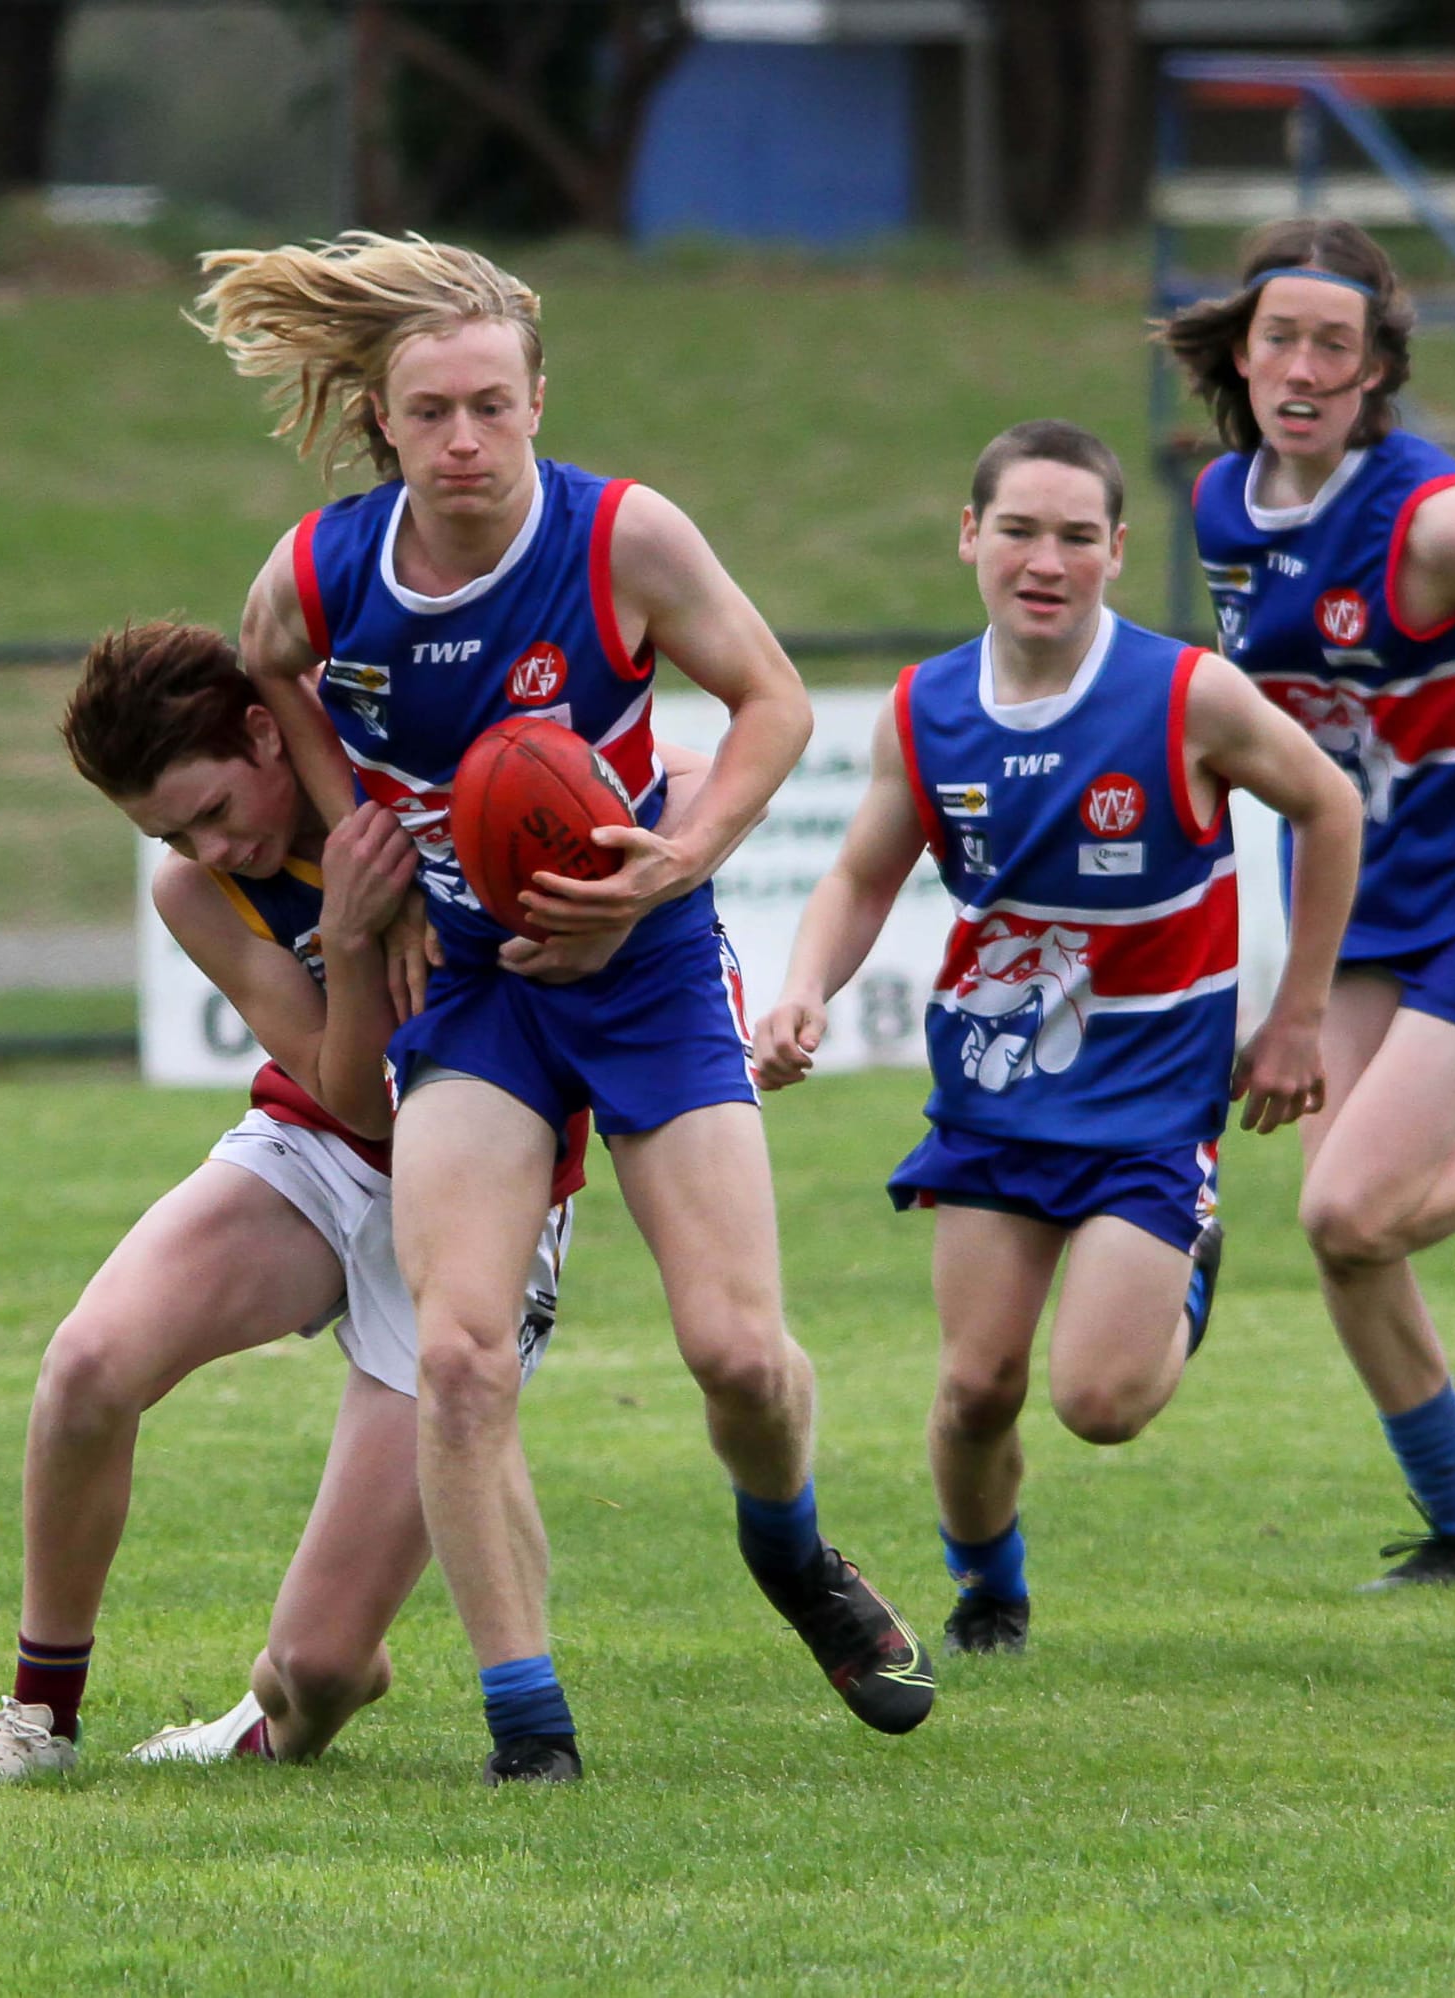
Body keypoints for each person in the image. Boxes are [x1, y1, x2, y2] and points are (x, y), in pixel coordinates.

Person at [198, 230, 935, 1784]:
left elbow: (772, 702)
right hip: (473, 988)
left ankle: (794, 1551)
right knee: (462, 1354)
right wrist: (367, 845)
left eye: (492, 405)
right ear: (384, 421)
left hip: (645, 967)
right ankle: (528, 1726)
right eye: (431, 411)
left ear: (539, 401)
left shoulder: (621, 537)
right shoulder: (321, 571)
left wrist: (683, 856)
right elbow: (269, 666)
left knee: (737, 1353)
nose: (464, 438)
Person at [0, 620, 586, 1790]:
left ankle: (278, 1708)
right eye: (171, 833)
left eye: (212, 811)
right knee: (87, 1365)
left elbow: (667, 770)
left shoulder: (411, 770)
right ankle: (38, 1714)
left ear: (267, 734)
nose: (207, 845)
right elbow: (351, 1099)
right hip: (321, 1149)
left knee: (318, 1670)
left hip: (482, 1200)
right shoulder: (200, 890)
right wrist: (349, 937)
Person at [752, 420, 1361, 1651]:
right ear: (968, 536)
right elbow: (861, 877)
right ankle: (988, 1591)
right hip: (995, 1094)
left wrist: (1297, 1016)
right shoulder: (924, 710)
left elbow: (1329, 804)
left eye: (1075, 536)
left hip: (1149, 1110)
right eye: (1018, 530)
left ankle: (1188, 1255)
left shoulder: (1184, 695)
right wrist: (802, 986)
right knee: (976, 1388)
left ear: (1115, 550)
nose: (1045, 560)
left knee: (1098, 1402)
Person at [1162, 218, 1455, 1589]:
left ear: (1376, 371)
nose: (1305, 368)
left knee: (1350, 1212)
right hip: (1349, 899)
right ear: (1240, 354)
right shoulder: (1221, 506)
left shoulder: (1446, 523)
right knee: (1351, 1237)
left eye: (1336, 346)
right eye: (1281, 340)